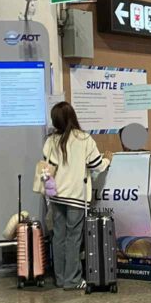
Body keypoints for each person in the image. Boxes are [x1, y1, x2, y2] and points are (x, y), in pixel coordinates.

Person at [42, 102, 110, 290]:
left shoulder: (51, 141)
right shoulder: (84, 139)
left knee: (58, 237)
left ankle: (60, 278)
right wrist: (107, 159)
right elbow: (97, 165)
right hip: (76, 197)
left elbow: (48, 166)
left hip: (56, 196)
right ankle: (72, 280)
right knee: (73, 238)